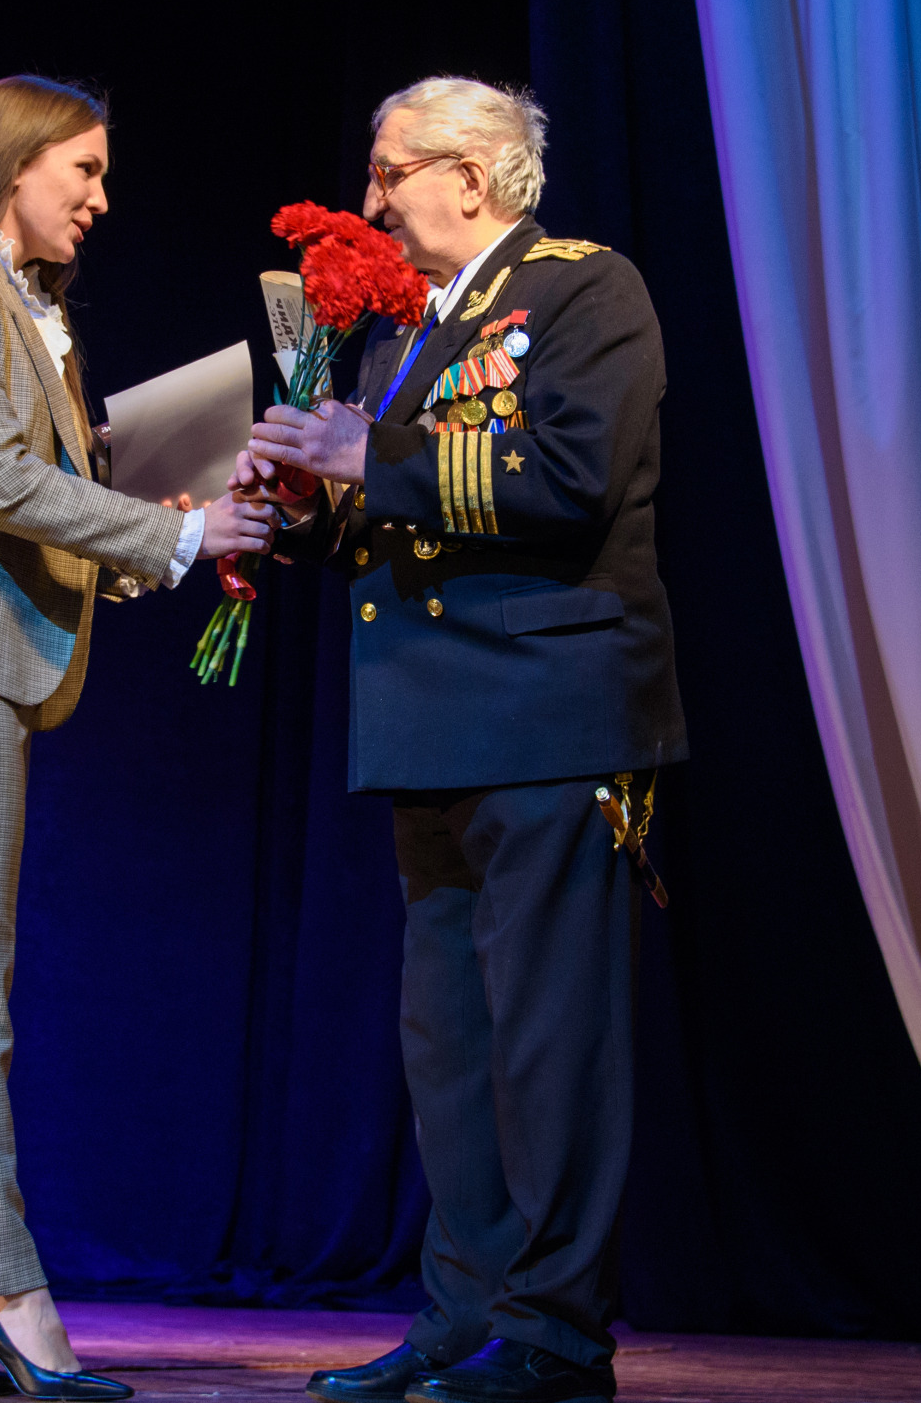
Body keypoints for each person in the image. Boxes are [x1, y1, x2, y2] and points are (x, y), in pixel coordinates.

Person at [239, 77, 686, 1403]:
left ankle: (556, 1335)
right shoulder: (406, 331)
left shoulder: (583, 289)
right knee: (452, 1048)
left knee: (551, 1040)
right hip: (431, 721)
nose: (370, 200)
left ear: (473, 177)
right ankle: (464, 1314)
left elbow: (568, 479)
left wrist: (365, 457)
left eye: (389, 172)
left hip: (549, 714)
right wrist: (298, 504)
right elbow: (389, 517)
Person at [0, 75, 272, 1401]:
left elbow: (51, 496)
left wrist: (169, 520)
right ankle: (2, 1283)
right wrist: (180, 538)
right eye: (83, 168)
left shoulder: (32, 308)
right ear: (13, 162)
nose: (101, 197)